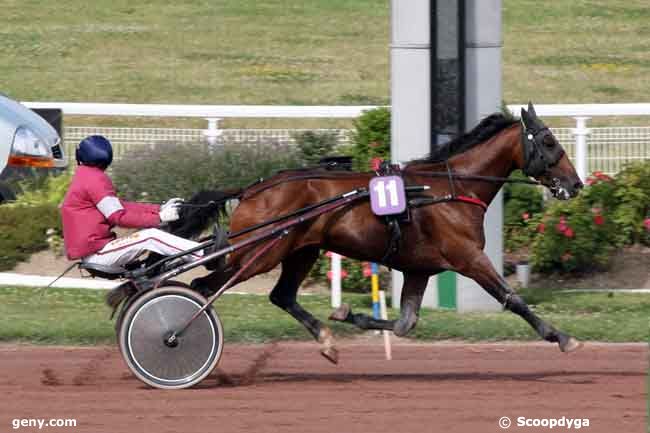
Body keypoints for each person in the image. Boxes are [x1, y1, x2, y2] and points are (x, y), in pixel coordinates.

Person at [61, 135, 216, 269]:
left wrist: (159, 209)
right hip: (98, 253)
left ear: (80, 156)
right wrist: (160, 218)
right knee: (151, 237)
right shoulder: (94, 180)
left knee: (153, 234)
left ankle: (194, 254)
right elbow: (118, 217)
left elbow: (122, 206)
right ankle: (203, 254)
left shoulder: (86, 177)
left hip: (95, 251)